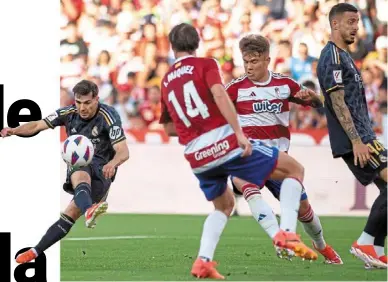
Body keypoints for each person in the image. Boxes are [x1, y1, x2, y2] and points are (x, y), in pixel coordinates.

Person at [160, 23, 317, 280]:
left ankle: (203, 261)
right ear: (197, 44)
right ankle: (286, 232)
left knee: (224, 206)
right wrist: (238, 133)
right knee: (294, 169)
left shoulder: (166, 79)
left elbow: (168, 128)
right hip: (223, 144)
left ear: (172, 46)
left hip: (196, 155)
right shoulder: (206, 65)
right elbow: (221, 97)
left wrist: (195, 130)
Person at [226, 34, 343, 264]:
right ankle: (281, 237)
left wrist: (313, 99)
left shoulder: (284, 84)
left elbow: (317, 103)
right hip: (250, 156)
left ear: (267, 60)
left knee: (305, 212)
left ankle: (321, 246)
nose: (249, 67)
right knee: (247, 186)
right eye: (246, 62)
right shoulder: (235, 89)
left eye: (254, 62)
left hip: (280, 160)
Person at [0, 80, 129, 264]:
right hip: (80, 165)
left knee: (71, 213)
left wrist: (114, 163)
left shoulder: (109, 115)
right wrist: (13, 130)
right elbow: (37, 125)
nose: (82, 108)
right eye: (78, 102)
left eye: (87, 103)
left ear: (96, 100)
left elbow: (123, 151)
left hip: (102, 170)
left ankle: (88, 209)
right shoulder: (68, 113)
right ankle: (35, 252)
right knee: (74, 189)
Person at [317, 3, 387, 269]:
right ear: (335, 24)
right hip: (355, 139)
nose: (356, 27)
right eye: (350, 22)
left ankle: (375, 250)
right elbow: (337, 100)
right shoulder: (332, 56)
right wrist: (357, 141)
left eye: (357, 22)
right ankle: (365, 242)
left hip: (365, 135)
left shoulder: (344, 56)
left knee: (386, 190)